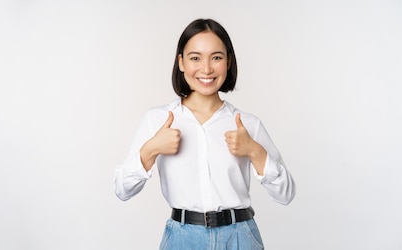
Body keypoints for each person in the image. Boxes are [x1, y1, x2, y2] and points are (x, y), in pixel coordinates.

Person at [114, 18, 295, 250]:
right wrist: (151, 149)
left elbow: (286, 194)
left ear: (228, 61)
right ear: (181, 62)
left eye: (217, 57)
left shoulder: (247, 124)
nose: (207, 68)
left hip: (240, 238)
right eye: (195, 58)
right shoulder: (157, 120)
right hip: (182, 239)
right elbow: (122, 190)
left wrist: (254, 151)